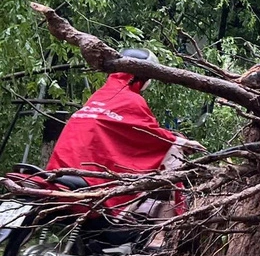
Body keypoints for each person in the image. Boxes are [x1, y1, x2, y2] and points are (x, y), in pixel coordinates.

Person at [47, 49, 202, 218]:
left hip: (63, 169)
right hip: (92, 180)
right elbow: (151, 136)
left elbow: (127, 130)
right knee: (173, 155)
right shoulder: (132, 100)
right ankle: (177, 220)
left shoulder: (100, 95)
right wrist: (180, 143)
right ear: (144, 77)